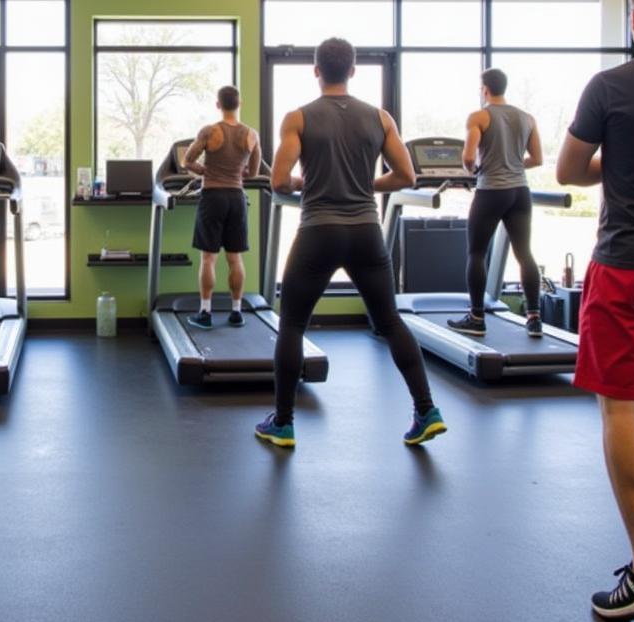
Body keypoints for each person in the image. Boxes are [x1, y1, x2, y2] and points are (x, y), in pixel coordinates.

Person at [255, 37, 446, 449]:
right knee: (390, 321)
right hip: (365, 231)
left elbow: (278, 181)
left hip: (318, 231)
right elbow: (406, 177)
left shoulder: (298, 118)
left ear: (317, 71)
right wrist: (365, 184)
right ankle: (426, 409)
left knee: (291, 323)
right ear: (353, 70)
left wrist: (306, 182)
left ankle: (283, 423)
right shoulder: (380, 118)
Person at [556, 0, 634, 621]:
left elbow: (568, 170)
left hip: (628, 268)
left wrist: (612, 162)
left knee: (623, 414)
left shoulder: (612, 86)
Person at [447, 68, 543, 338]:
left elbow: (468, 158)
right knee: (525, 254)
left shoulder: (479, 116)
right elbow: (536, 159)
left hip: (491, 191)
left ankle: (476, 318)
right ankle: (534, 318)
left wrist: (478, 168)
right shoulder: (527, 118)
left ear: (485, 89)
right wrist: (512, 164)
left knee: (476, 253)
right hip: (520, 192)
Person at [182, 86, 261, 328]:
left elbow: (188, 161)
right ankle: (236, 312)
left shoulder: (209, 131)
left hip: (213, 196)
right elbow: (254, 172)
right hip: (236, 197)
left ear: (218, 104)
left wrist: (207, 171)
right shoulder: (251, 135)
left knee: (208, 259)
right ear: (239, 103)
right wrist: (236, 172)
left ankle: (205, 313)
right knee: (235, 258)